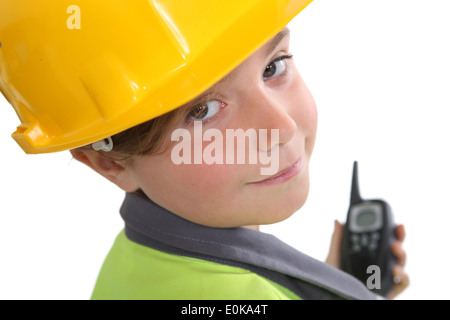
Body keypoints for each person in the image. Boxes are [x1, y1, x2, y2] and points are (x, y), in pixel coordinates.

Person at [0, 0, 408, 300]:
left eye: (273, 67)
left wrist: (323, 285)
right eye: (202, 111)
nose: (281, 127)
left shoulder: (133, 258)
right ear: (106, 162)